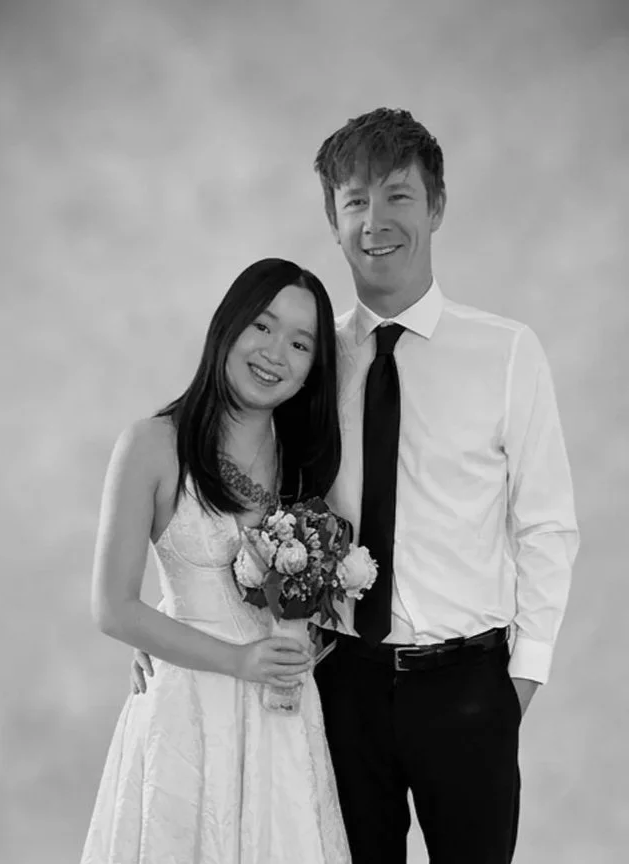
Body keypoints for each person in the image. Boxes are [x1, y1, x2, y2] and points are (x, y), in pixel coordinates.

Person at [310, 108, 580, 863]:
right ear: (332, 219)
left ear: (436, 206)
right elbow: (255, 499)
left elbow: (547, 524)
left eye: (397, 195)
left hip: (467, 686)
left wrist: (518, 681)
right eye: (354, 200)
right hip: (339, 686)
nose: (375, 222)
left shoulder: (506, 352)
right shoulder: (312, 358)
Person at [80, 258, 352, 864]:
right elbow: (113, 607)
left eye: (301, 343)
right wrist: (234, 658)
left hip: (281, 714)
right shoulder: (152, 445)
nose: (275, 352)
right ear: (226, 327)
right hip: (187, 713)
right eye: (262, 325)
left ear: (312, 370)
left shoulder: (305, 464)